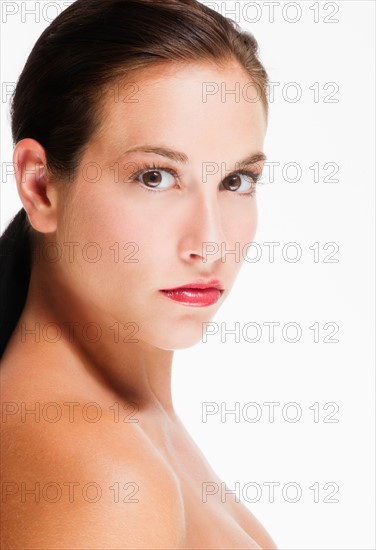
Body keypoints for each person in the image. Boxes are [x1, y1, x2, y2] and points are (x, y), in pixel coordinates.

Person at [0, 0, 277, 548]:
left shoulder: (133, 422)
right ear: (40, 186)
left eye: (236, 180)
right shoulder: (101, 478)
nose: (211, 242)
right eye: (155, 176)